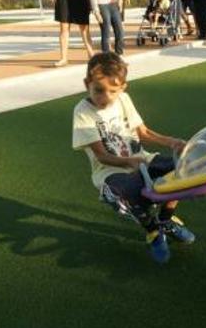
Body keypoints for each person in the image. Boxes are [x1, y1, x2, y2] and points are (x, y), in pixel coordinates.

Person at [72, 52, 196, 264]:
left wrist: (170, 141)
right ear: (87, 84)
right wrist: (128, 162)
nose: (105, 98)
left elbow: (143, 132)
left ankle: (165, 220)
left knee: (182, 169)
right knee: (131, 191)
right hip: (110, 170)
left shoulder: (123, 100)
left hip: (142, 159)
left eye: (113, 91)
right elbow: (101, 156)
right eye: (98, 90)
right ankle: (153, 231)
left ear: (123, 88)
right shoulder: (83, 111)